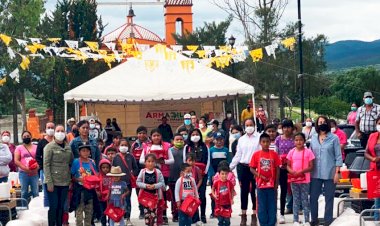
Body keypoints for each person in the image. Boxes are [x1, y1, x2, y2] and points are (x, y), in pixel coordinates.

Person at [309, 116, 343, 226]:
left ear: (327, 123)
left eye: (324, 122)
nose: (322, 123)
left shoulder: (334, 138)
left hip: (330, 172)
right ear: (317, 124)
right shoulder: (313, 138)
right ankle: (314, 220)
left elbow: (338, 156)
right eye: (319, 122)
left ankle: (328, 221)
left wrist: (337, 173)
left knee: (329, 198)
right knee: (313, 197)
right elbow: (309, 155)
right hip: (315, 173)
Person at [229, 118, 261, 226]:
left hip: (255, 168)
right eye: (247, 125)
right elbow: (238, 155)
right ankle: (243, 216)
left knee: (254, 193)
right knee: (244, 192)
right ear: (244, 127)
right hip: (243, 168)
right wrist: (230, 167)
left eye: (251, 124)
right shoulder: (241, 139)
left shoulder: (259, 138)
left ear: (254, 125)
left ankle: (254, 215)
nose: (249, 127)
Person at [139, 129, 174, 224]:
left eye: (158, 135)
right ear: (151, 137)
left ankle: (163, 215)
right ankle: (150, 214)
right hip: (150, 173)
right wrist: (151, 161)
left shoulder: (166, 146)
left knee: (163, 194)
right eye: (154, 135)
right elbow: (141, 160)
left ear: (161, 136)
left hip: (164, 173)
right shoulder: (146, 146)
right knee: (150, 194)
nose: (156, 137)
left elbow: (172, 160)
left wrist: (163, 161)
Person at [43, 125, 74, 226]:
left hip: (65, 181)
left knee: (61, 207)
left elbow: (70, 162)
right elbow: (46, 165)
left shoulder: (68, 147)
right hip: (53, 182)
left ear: (65, 133)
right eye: (58, 131)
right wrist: (49, 182)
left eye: (62, 131)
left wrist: (70, 180)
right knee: (54, 206)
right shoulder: (49, 147)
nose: (60, 133)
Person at [249, 133, 281, 226]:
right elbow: (251, 168)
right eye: (263, 142)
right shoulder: (256, 155)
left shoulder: (274, 154)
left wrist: (276, 183)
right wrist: (259, 176)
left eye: (267, 141)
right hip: (260, 184)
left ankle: (271, 223)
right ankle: (263, 223)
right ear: (260, 143)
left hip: (272, 185)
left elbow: (278, 169)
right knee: (262, 205)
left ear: (270, 142)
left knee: (272, 205)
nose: (266, 144)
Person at [286, 133, 315, 226]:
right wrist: (292, 171)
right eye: (296, 140)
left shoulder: (308, 152)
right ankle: (295, 220)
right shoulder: (291, 152)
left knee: (305, 199)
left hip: (305, 180)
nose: (299, 142)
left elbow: (311, 166)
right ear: (294, 141)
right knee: (296, 199)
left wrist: (302, 171)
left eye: (301, 140)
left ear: (304, 141)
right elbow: (288, 165)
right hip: (294, 180)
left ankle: (306, 220)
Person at [183, 128, 210, 223]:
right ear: (190, 136)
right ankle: (194, 216)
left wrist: (205, 173)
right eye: (193, 134)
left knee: (202, 195)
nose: (195, 136)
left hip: (202, 174)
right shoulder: (187, 147)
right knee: (192, 195)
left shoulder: (204, 146)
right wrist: (186, 173)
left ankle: (203, 215)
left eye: (197, 134)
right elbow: (184, 160)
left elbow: (208, 160)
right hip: (190, 174)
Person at [70, 143, 98, 226]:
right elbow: (72, 176)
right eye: (83, 151)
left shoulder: (92, 162)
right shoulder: (75, 162)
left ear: (90, 152)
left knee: (89, 212)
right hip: (79, 190)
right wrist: (78, 179)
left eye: (87, 151)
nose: (85, 153)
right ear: (79, 152)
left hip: (90, 191)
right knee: (79, 212)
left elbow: (95, 175)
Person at [112, 139, 138, 226]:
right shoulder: (116, 157)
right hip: (117, 183)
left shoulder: (131, 156)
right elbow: (112, 169)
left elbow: (135, 168)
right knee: (118, 200)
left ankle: (128, 218)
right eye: (122, 145)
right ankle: (119, 217)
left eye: (125, 145)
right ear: (119, 146)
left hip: (127, 183)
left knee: (127, 200)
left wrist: (132, 174)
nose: (124, 147)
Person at [275, 119, 295, 223]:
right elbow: (276, 153)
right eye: (284, 127)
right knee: (283, 191)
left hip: (293, 168)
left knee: (295, 191)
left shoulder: (295, 139)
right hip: (282, 169)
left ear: (292, 128)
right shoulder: (278, 139)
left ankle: (296, 212)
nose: (286, 129)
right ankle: (282, 214)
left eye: (288, 127)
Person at [136, 154, 165, 226]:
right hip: (145, 196)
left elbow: (162, 182)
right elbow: (138, 182)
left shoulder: (158, 172)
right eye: (148, 161)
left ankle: (154, 224)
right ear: (145, 162)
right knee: (147, 214)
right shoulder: (142, 172)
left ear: (155, 163)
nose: (150, 163)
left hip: (155, 196)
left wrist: (155, 186)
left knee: (154, 213)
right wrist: (145, 186)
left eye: (152, 161)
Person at [131, 126, 151, 219]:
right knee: (139, 191)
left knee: (148, 190)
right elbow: (131, 157)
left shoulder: (150, 143)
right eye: (139, 133)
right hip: (137, 171)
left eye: (143, 133)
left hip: (148, 170)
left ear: (146, 134)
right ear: (137, 134)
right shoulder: (134, 145)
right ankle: (141, 211)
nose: (141, 135)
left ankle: (149, 209)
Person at [14, 130, 39, 201]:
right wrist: (25, 168)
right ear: (22, 138)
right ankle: (24, 207)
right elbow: (16, 160)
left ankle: (35, 208)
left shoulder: (36, 147)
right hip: (23, 173)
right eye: (24, 136)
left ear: (31, 137)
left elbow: (40, 158)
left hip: (34, 173)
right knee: (24, 192)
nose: (26, 137)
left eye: (28, 136)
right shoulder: (19, 148)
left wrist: (36, 167)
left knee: (35, 192)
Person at [364, 116, 380, 221]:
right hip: (375, 169)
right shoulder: (373, 136)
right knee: (377, 196)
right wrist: (373, 159)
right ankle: (377, 219)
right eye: (379, 123)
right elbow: (366, 152)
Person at [36, 121, 55, 207]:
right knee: (46, 192)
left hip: (56, 170)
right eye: (49, 127)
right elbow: (37, 156)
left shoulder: (58, 141)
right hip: (44, 170)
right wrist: (42, 166)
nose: (50, 129)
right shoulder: (41, 142)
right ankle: (46, 210)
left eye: (52, 127)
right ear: (45, 129)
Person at [168, 134, 185, 222]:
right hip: (172, 177)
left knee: (183, 197)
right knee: (174, 198)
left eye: (181, 139)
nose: (179, 141)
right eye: (177, 139)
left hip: (183, 178)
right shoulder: (169, 150)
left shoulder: (186, 150)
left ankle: (183, 213)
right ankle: (175, 214)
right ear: (173, 141)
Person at [97, 159, 112, 226]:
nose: (105, 169)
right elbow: (96, 185)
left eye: (107, 167)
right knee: (102, 212)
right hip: (101, 198)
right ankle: (103, 224)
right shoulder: (98, 176)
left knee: (110, 212)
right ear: (100, 168)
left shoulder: (112, 176)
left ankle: (110, 223)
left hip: (110, 198)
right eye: (103, 167)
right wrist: (97, 192)